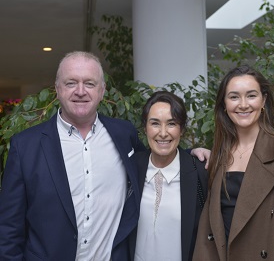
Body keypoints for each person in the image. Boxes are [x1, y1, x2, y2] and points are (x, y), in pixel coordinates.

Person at [0, 51, 210, 260]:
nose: (80, 91)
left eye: (89, 84)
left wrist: (190, 155)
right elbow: (9, 229)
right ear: (57, 89)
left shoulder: (123, 134)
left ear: (102, 91)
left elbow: (156, 155)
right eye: (71, 83)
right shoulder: (25, 146)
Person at [193, 65, 274, 260]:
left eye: (251, 95)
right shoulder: (220, 153)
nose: (243, 104)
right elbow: (210, 224)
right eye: (234, 97)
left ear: (263, 100)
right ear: (224, 104)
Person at [131, 91, 208, 261]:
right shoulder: (130, 169)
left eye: (172, 123)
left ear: (182, 129)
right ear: (145, 128)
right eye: (155, 123)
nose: (163, 133)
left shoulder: (200, 173)